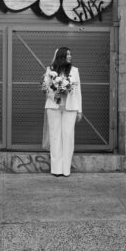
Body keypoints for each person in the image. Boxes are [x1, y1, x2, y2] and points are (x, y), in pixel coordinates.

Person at [42, 47, 82, 177]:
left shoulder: (75, 70)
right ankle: (56, 169)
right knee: (55, 137)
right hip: (53, 107)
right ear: (61, 56)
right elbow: (45, 88)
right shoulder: (50, 70)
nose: (70, 56)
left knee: (68, 137)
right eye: (68, 54)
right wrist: (55, 93)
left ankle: (66, 170)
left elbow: (78, 91)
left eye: (70, 54)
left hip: (70, 108)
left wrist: (79, 110)